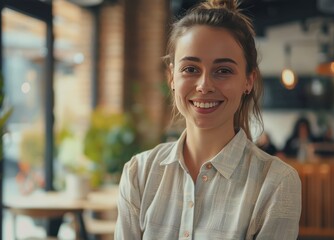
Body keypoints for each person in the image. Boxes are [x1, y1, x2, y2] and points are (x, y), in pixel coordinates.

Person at [115, 0, 302, 239]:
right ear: (171, 78)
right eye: (190, 69)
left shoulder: (276, 182)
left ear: (248, 80)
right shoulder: (138, 173)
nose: (204, 86)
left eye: (223, 70)